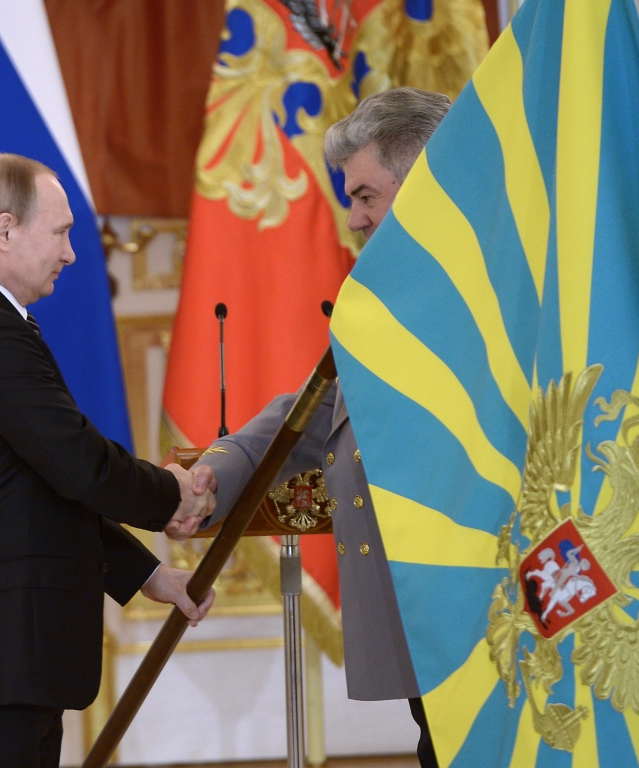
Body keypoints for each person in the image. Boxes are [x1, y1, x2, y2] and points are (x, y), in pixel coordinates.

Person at [0, 153, 216, 768]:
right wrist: (173, 494)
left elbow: (38, 489)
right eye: (61, 231)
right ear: (6, 230)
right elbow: (79, 464)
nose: (71, 253)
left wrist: (148, 576)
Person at [192, 87, 451, 768]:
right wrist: (211, 472)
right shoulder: (384, 296)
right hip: (426, 615)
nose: (355, 216)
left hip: (484, 613)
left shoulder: (492, 292)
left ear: (424, 178)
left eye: (367, 195)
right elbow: (317, 416)